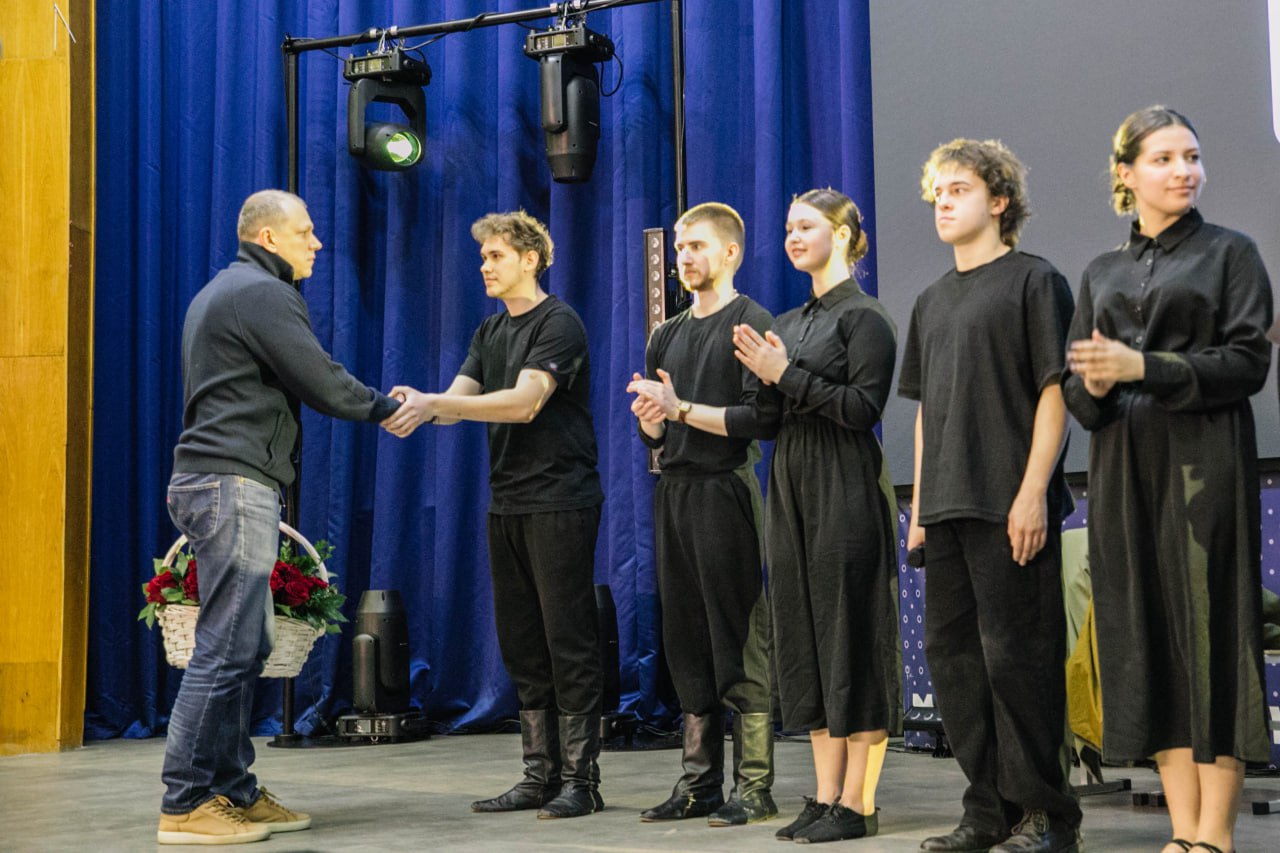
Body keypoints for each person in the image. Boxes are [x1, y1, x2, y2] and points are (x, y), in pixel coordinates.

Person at [160, 189, 402, 845]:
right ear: (268, 238)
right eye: (305, 231)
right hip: (230, 481)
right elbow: (318, 378)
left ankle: (232, 789)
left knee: (247, 644)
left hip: (224, 479)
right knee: (227, 646)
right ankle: (186, 802)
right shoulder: (261, 293)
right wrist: (389, 408)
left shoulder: (230, 289)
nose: (316, 242)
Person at [1063, 106, 1272, 853]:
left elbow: (1247, 362)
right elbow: (1078, 389)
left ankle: (1215, 834)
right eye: (1164, 158)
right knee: (1145, 636)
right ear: (1126, 173)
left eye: (1192, 156)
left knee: (1209, 638)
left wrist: (1142, 366)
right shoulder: (1102, 271)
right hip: (1125, 470)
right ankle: (1183, 831)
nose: (1184, 170)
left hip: (1202, 465)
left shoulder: (1230, 253)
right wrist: (1092, 382)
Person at [384, 210, 605, 819]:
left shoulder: (559, 323)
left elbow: (526, 402)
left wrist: (438, 403)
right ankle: (539, 775)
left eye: (496, 256)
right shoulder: (489, 330)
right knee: (523, 644)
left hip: (561, 500)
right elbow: (457, 403)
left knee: (568, 641)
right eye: (483, 257)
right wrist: (415, 406)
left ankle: (581, 781)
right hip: (506, 503)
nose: (484, 266)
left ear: (530, 260)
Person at [899, 139, 1081, 853]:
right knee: (956, 664)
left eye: (959, 189)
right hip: (944, 507)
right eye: (937, 192)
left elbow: (1054, 391)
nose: (943, 202)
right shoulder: (931, 300)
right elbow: (926, 411)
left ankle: (1047, 815)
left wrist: (1034, 491)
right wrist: (919, 508)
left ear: (999, 200)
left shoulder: (1036, 281)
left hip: (1009, 504)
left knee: (1019, 662)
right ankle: (988, 810)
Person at [732, 188, 900, 843]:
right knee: (804, 635)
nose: (793, 237)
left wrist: (784, 373)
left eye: (806, 226)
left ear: (844, 233)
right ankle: (827, 794)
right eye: (788, 228)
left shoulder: (866, 318)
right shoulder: (788, 319)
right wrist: (756, 377)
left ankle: (859, 802)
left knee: (851, 632)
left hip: (845, 483)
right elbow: (768, 419)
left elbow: (861, 410)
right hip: (793, 484)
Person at [625, 202, 777, 827]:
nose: (685, 257)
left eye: (698, 246)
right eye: (681, 247)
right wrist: (652, 425)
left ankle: (755, 785)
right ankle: (699, 783)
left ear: (731, 252)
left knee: (736, 635)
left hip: (725, 491)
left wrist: (679, 409)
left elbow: (758, 419)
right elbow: (658, 434)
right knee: (686, 638)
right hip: (676, 493)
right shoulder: (666, 334)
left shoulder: (750, 321)